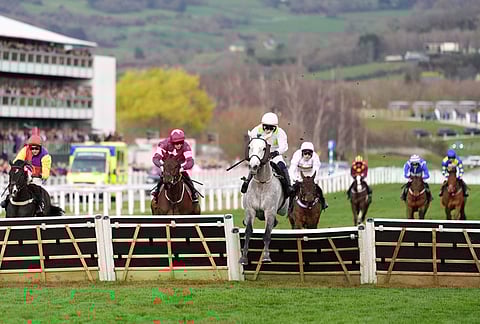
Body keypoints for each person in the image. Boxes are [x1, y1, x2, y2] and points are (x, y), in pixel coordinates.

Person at [241, 112, 292, 195]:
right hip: (261, 154)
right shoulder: (256, 131)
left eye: (271, 127)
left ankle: (288, 187)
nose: (268, 130)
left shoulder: (280, 132)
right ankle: (247, 182)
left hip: (274, 154)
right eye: (266, 127)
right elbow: (252, 144)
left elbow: (284, 146)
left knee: (282, 165)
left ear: (276, 126)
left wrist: (276, 152)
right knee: (254, 165)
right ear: (262, 124)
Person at [0, 134, 52, 215]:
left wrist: (40, 175)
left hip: (37, 177)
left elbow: (46, 172)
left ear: (40, 147)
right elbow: (17, 160)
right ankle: (7, 200)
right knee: (15, 182)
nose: (34, 150)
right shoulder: (25, 150)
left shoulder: (46, 156)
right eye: (32, 148)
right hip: (26, 174)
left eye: (36, 148)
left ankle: (39, 206)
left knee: (36, 188)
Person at [151, 129, 199, 203]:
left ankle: (193, 193)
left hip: (179, 166)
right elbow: (155, 158)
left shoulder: (186, 146)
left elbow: (190, 161)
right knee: (163, 178)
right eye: (176, 143)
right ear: (171, 142)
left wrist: (183, 168)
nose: (179, 145)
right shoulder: (163, 144)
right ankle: (156, 193)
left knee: (186, 177)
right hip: (167, 167)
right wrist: (161, 166)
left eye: (181, 143)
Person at [288, 141, 328, 210]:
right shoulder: (297, 155)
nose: (307, 155)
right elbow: (292, 169)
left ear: (312, 153)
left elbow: (316, 170)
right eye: (305, 153)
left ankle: (323, 203)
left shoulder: (315, 157)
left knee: (319, 190)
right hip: (299, 176)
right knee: (292, 191)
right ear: (302, 152)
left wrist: (312, 180)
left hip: (311, 177)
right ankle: (289, 206)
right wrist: (296, 179)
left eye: (309, 154)